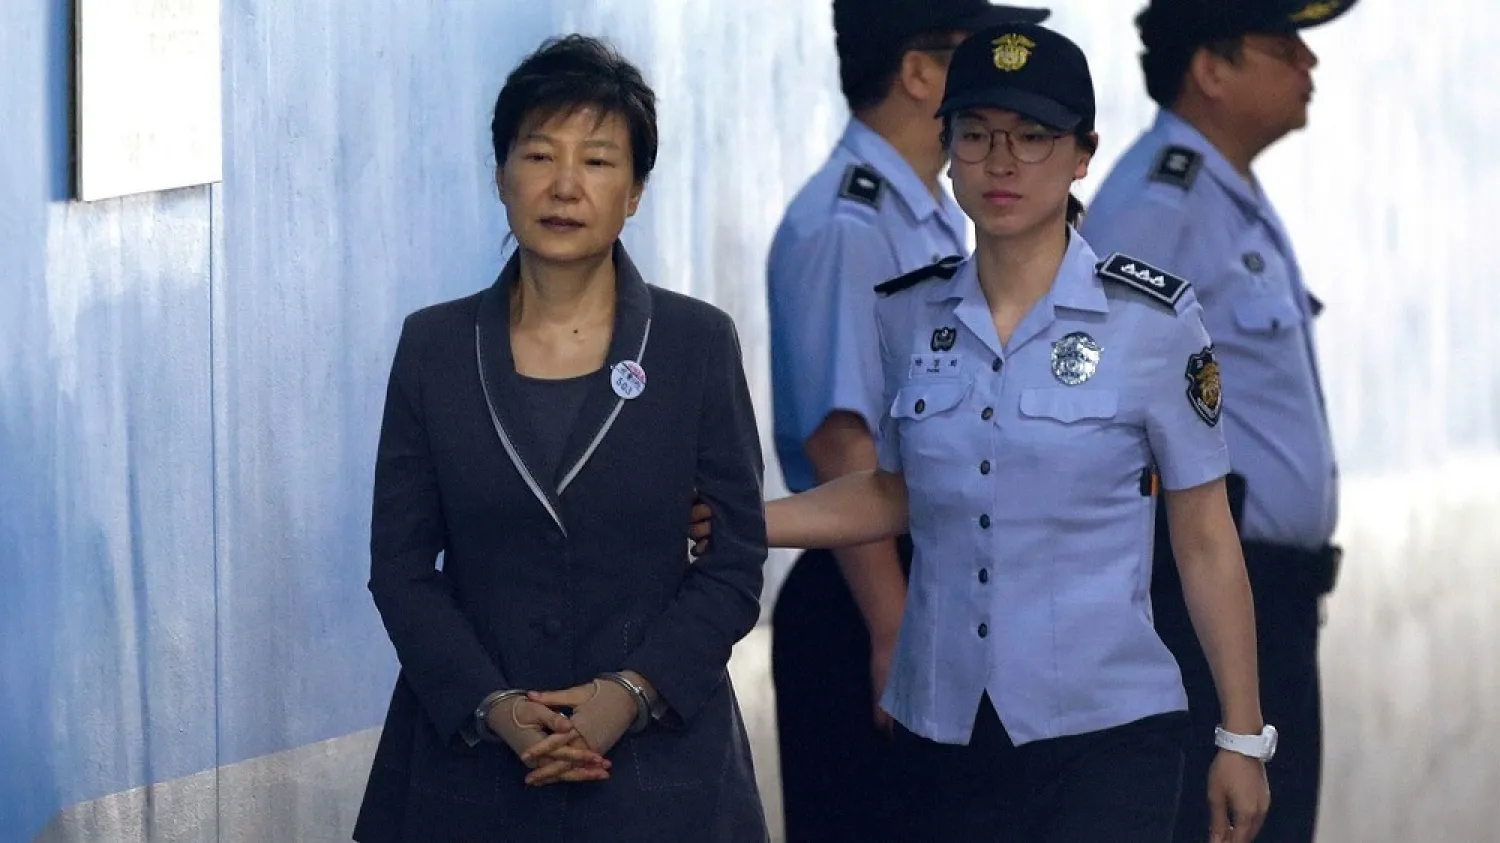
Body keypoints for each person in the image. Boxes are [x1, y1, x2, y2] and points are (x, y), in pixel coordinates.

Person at [764, 21, 1275, 843]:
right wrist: (744, 521)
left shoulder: (1152, 322)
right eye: (976, 135)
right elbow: (896, 493)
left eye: (1035, 137)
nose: (1001, 162)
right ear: (950, 145)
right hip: (942, 732)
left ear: (1083, 154)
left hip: (1107, 737)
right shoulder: (907, 312)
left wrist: (1242, 735)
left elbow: (1207, 538)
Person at [353, 34, 770, 843]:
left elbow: (734, 559)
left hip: (662, 781)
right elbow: (400, 567)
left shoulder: (694, 345)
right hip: (470, 776)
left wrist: (631, 691)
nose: (566, 185)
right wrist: (496, 707)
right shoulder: (435, 349)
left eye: (600, 161)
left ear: (636, 191)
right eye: (540, 155)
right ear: (502, 175)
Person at [764, 1, 1047, 839]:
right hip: (871, 589)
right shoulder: (848, 226)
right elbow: (840, 439)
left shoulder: (928, 214)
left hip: (935, 586)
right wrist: (895, 631)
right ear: (920, 72)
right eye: (976, 57)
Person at [1080, 2, 1355, 840]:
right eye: (1283, 45)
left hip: (1272, 595)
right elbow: (1106, 412)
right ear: (1212, 69)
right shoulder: (1160, 202)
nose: (1308, 62)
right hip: (1212, 597)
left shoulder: (1224, 193)